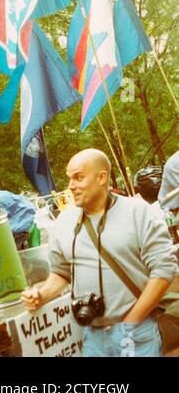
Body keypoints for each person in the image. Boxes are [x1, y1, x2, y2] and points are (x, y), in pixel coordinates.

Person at [22, 149, 177, 357]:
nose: (71, 186)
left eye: (78, 177)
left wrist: (131, 322)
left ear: (102, 178)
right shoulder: (63, 222)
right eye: (69, 178)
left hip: (137, 331)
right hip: (92, 337)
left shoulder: (138, 212)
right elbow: (61, 273)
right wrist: (41, 295)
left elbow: (164, 270)